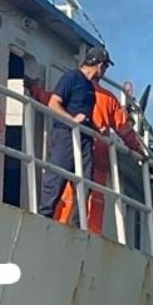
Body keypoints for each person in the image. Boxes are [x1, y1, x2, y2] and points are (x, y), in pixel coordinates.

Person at [54, 79, 145, 233]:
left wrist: (34, 88)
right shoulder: (109, 99)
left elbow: (50, 99)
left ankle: (59, 224)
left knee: (68, 193)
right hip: (98, 156)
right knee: (95, 198)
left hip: (72, 150)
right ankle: (92, 231)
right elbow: (124, 129)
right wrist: (138, 150)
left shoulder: (71, 89)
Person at [36, 46, 109, 219]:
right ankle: (44, 216)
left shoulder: (90, 88)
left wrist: (96, 129)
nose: (105, 71)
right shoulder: (71, 78)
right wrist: (72, 120)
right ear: (98, 64)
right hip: (65, 135)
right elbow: (54, 103)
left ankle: (78, 222)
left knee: (85, 182)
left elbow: (83, 114)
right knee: (57, 177)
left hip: (84, 138)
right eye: (105, 67)